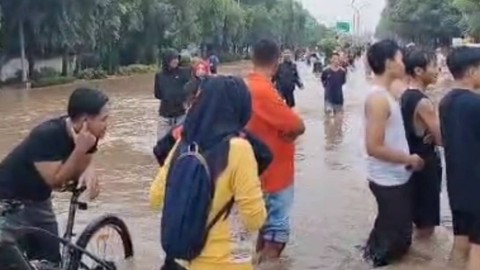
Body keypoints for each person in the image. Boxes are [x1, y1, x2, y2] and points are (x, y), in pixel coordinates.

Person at [150, 76, 267, 270]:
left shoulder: (184, 143)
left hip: (181, 261)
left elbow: (155, 197)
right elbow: (255, 219)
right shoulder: (239, 149)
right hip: (225, 263)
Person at [0, 88, 107, 268]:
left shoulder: (89, 137)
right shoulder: (46, 135)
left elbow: (74, 172)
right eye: (103, 119)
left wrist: (89, 166)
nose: (107, 124)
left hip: (40, 201)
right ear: (85, 121)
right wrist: (81, 149)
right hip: (8, 200)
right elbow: (57, 182)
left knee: (52, 261)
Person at [363, 39, 424, 267]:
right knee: (395, 241)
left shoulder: (386, 94)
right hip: (387, 180)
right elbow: (374, 147)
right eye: (400, 58)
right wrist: (409, 159)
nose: (403, 63)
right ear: (389, 63)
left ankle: (370, 256)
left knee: (392, 232)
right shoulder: (379, 99)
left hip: (394, 177)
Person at [246, 39, 305, 261]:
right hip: (275, 173)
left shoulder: (247, 86)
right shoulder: (263, 90)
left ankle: (257, 261)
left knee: (265, 229)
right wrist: (290, 133)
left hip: (258, 170)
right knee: (277, 235)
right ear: (277, 61)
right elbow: (298, 125)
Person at [439, 46, 480, 270]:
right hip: (477, 185)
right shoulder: (476, 104)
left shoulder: (446, 102)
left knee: (461, 244)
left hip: (456, 186)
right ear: (473, 71)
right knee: (478, 248)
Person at [400, 48, 442, 240]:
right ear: (418, 71)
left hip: (409, 163)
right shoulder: (424, 103)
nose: (437, 70)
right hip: (425, 165)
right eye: (433, 65)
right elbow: (441, 138)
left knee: (413, 216)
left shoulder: (404, 96)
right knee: (427, 226)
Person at [154, 49, 190, 139]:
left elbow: (192, 88)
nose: (176, 61)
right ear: (167, 60)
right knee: (161, 143)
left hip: (180, 116)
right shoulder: (159, 75)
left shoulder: (184, 73)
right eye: (173, 58)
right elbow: (157, 94)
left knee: (179, 144)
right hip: (164, 116)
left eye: (177, 58)